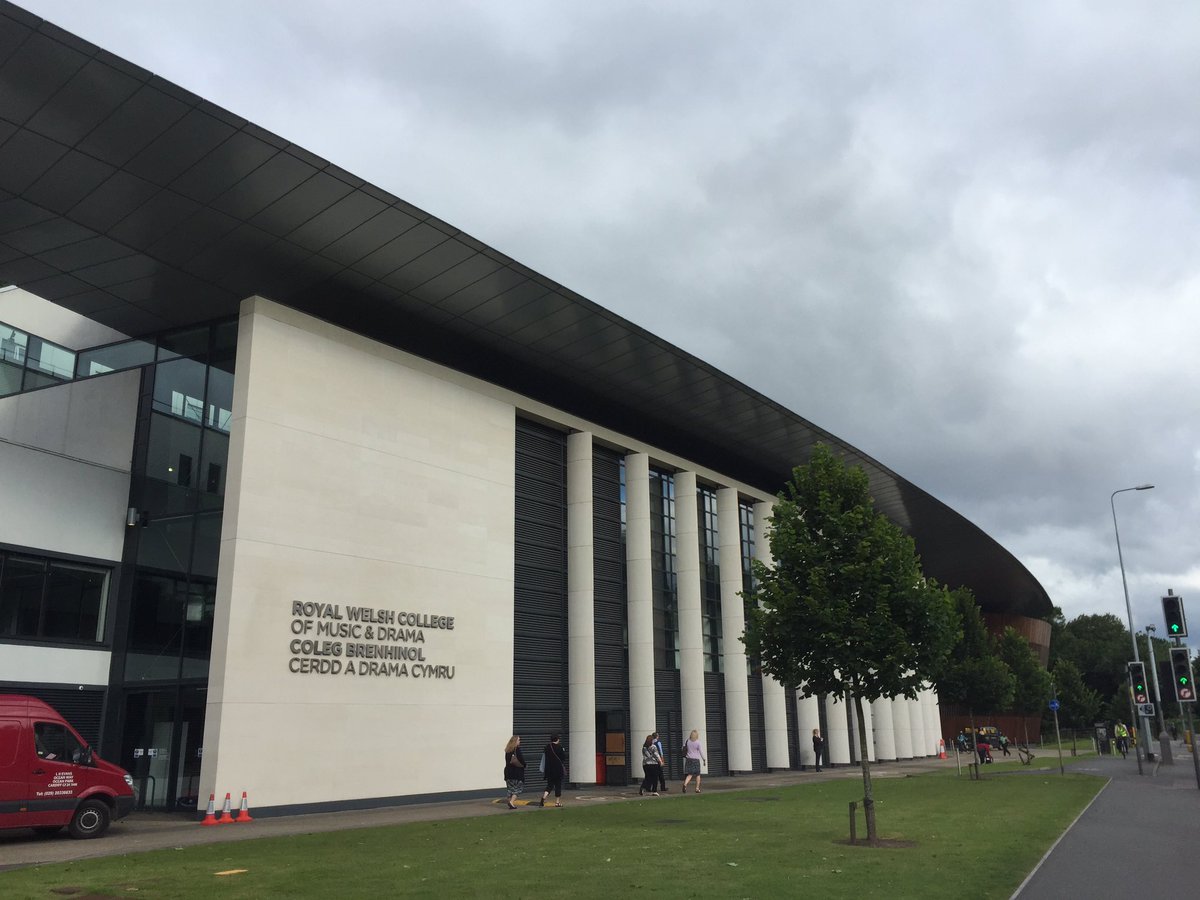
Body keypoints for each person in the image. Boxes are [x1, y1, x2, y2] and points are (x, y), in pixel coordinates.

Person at [539, 733, 568, 808]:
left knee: (549, 786)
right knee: (558, 785)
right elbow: (563, 758)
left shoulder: (547, 747)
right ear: (557, 739)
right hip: (558, 770)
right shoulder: (560, 747)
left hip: (549, 770)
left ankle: (543, 798)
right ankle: (557, 802)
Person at [503, 735, 526, 809]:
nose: (520, 741)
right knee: (518, 789)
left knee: (510, 789)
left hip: (508, 772)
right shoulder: (517, 749)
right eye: (519, 740)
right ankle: (511, 802)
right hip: (516, 772)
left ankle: (509, 802)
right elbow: (521, 760)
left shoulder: (507, 750)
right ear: (515, 741)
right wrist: (525, 765)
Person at [681, 729, 706, 793]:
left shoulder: (687, 741)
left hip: (688, 759)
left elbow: (683, 748)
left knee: (690, 774)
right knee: (697, 774)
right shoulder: (698, 742)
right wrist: (704, 759)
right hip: (695, 760)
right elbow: (701, 751)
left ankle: (685, 784)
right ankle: (697, 788)